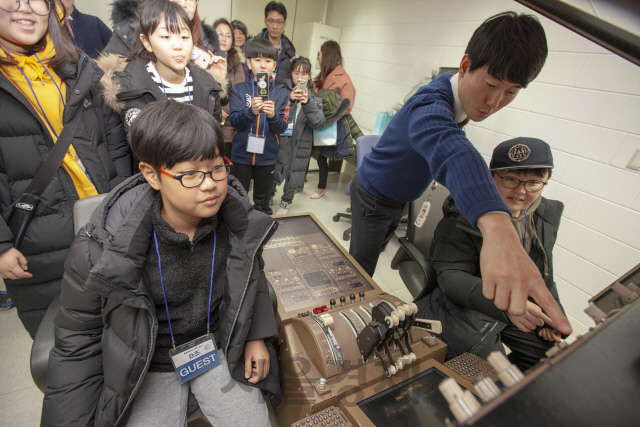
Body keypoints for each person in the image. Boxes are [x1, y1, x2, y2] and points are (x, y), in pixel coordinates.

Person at [41, 101, 279, 427]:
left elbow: (254, 278)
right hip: (148, 360)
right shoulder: (102, 247)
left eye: (216, 167)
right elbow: (76, 342)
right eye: (191, 174)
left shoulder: (236, 222)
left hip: (215, 346)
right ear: (152, 175)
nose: (209, 184)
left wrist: (256, 335)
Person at [349, 11, 572, 335]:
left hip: (396, 197)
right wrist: (498, 224)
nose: (495, 101)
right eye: (491, 84)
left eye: (511, 92)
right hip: (374, 194)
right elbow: (452, 148)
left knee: (374, 258)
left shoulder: (461, 104)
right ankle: (349, 328)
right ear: (465, 66)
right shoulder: (430, 103)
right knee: (359, 270)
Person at [0, 0, 131, 337]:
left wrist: (124, 206)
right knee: (67, 350)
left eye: (35, 1)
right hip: (38, 243)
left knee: (123, 338)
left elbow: (115, 144)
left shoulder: (80, 68)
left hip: (105, 227)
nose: (24, 8)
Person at [416, 137, 567, 371]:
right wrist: (505, 305)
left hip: (512, 304)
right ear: (491, 176)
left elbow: (543, 271)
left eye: (534, 183)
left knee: (549, 359)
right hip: (466, 305)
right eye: (510, 179)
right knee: (488, 374)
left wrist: (552, 315)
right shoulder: (461, 215)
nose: (521, 191)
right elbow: (452, 279)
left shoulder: (543, 216)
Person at [98, 0, 222, 137]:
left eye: (185, 37)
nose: (178, 45)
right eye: (166, 37)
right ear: (147, 42)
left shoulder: (207, 85)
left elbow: (214, 140)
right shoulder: (130, 88)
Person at [104, 0, 229, 100]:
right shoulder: (129, 31)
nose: (183, 3)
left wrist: (216, 82)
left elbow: (218, 103)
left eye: (190, 0)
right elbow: (108, 83)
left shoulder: (206, 40)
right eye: (165, 37)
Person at [273, 56, 348, 215]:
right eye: (296, 73)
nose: (299, 78)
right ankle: (269, 194)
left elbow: (318, 122)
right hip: (280, 141)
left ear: (309, 76)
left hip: (301, 144)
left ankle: (286, 202)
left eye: (304, 74)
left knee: (295, 171)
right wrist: (289, 99)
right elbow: (274, 113)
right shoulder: (281, 92)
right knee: (274, 168)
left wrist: (307, 103)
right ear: (291, 73)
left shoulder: (315, 99)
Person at [229, 38, 289, 215]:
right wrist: (250, 112)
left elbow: (281, 128)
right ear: (248, 63)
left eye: (268, 61)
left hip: (267, 156)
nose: (263, 65)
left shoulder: (281, 95)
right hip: (241, 154)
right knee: (238, 197)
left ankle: (261, 229)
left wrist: (272, 116)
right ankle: (239, 229)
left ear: (274, 65)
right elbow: (234, 121)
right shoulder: (239, 89)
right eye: (257, 60)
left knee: (262, 201)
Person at [311, 40, 357, 200]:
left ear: (327, 55)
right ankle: (303, 183)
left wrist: (328, 109)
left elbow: (347, 106)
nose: (318, 56)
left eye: (320, 53)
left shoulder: (343, 78)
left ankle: (321, 187)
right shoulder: (321, 75)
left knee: (323, 157)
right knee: (317, 156)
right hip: (318, 123)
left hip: (333, 126)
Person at [214, 17, 245, 159]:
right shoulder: (204, 60)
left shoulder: (236, 62)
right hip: (211, 122)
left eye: (228, 35)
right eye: (220, 34)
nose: (224, 38)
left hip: (232, 124)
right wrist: (216, 109)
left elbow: (240, 91)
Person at [245, 1, 295, 88]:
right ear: (265, 22)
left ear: (284, 24)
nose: (275, 26)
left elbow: (289, 81)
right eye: (271, 21)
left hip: (277, 98)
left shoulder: (289, 51)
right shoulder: (252, 44)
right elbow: (244, 74)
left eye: (279, 22)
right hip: (252, 94)